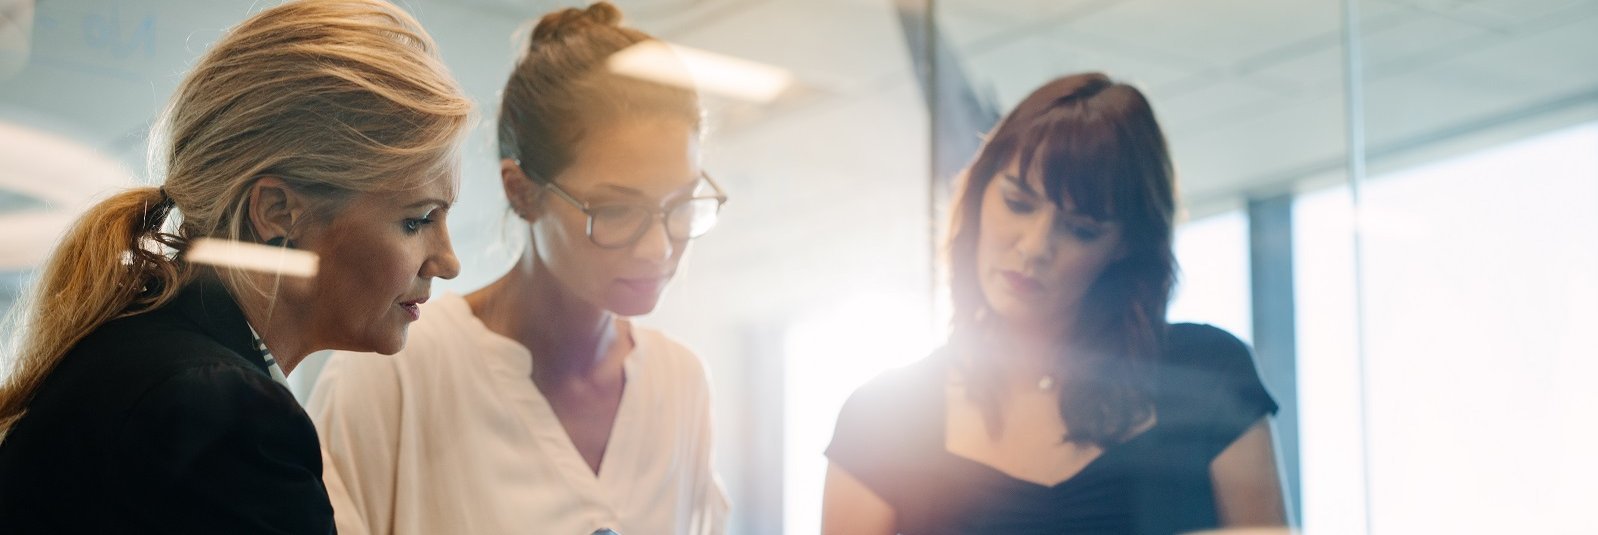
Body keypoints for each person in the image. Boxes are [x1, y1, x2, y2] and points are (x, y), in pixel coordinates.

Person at [0, 0, 471, 532]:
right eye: (417, 220)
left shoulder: (140, 357)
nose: (448, 262)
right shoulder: (224, 417)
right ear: (277, 212)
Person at [308, 3, 728, 534]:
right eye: (617, 210)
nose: (658, 248)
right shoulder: (395, 369)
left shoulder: (681, 386)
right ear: (522, 192)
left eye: (681, 204)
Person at [821, 73, 1286, 535]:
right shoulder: (882, 417)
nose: (1035, 247)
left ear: (1125, 246)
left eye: (1081, 229)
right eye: (1018, 203)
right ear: (980, 193)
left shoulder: (1206, 374)